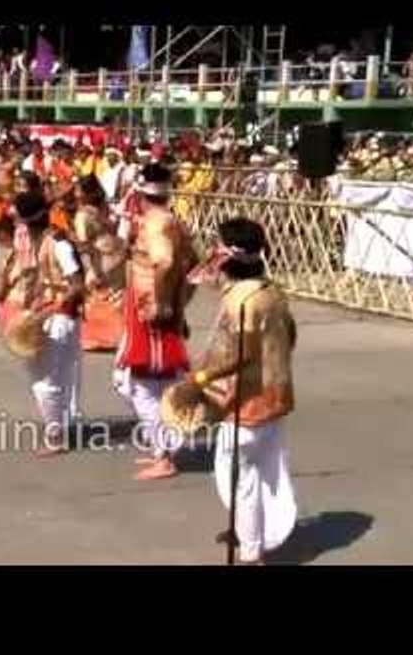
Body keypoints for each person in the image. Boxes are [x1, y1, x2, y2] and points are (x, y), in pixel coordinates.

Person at [182, 217, 298, 565]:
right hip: (274, 397)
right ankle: (257, 534)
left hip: (245, 405)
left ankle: (251, 552)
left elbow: (244, 356)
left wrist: (201, 380)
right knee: (264, 473)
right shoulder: (272, 291)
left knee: (243, 482)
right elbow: (290, 337)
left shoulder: (242, 302)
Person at [114, 163, 199, 481]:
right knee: (157, 381)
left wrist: (163, 303)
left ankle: (164, 454)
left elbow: (165, 263)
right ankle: (163, 446)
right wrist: (179, 305)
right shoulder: (174, 221)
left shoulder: (155, 224)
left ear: (141, 192)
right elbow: (192, 269)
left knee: (138, 385)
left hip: (148, 310)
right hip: (156, 308)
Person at [24, 194, 85, 457]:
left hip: (61, 316)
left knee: (45, 379)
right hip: (57, 313)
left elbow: (77, 283)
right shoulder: (46, 240)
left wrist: (53, 305)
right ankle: (62, 427)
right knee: (62, 375)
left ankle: (55, 436)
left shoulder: (58, 243)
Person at [74, 177, 124, 351]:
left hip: (100, 256)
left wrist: (89, 266)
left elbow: (83, 242)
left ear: (85, 193)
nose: (75, 193)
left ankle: (99, 338)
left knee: (95, 290)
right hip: (117, 253)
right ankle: (117, 336)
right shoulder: (102, 209)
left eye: (78, 189)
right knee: (114, 294)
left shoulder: (82, 215)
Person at [0, 180, 46, 330]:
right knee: (16, 280)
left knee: (29, 280)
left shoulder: (37, 204)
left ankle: (25, 320)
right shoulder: (19, 204)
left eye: (23, 185)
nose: (20, 189)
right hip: (20, 243)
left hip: (31, 247)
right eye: (18, 185)